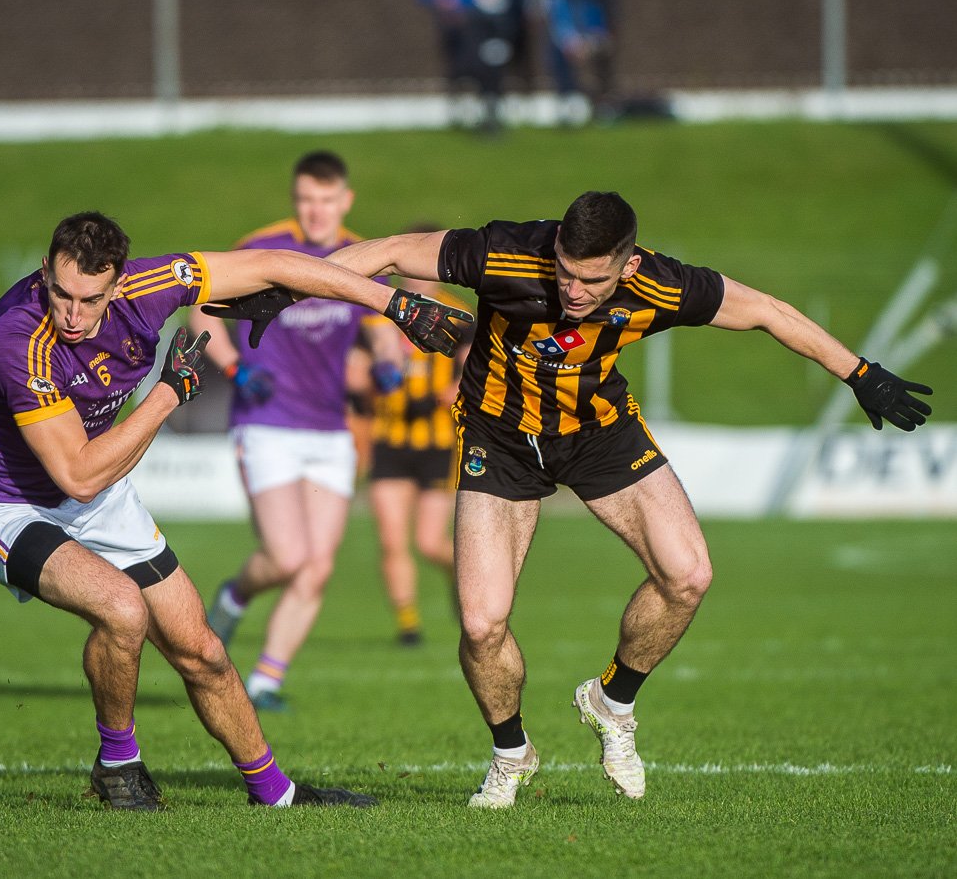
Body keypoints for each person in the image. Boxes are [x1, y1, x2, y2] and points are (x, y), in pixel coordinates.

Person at [327, 190, 933, 806]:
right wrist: (292, 286)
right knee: (482, 624)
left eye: (592, 279)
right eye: (564, 270)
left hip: (599, 432)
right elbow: (395, 251)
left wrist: (860, 373)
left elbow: (767, 311)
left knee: (688, 573)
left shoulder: (663, 285)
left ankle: (610, 701)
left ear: (629, 266)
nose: (573, 290)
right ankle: (511, 753)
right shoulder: (508, 252)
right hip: (498, 436)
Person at [0, 210, 468, 810]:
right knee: (121, 609)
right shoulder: (18, 340)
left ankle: (275, 793)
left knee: (205, 651)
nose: (71, 314)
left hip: (95, 492)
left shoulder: (150, 285)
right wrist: (170, 391)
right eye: (60, 293)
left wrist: (395, 306)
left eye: (89, 300)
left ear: (117, 285)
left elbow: (273, 265)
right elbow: (79, 474)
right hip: (7, 504)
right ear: (44, 273)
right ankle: (118, 764)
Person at [192, 151, 406, 712]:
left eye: (326, 200)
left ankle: (265, 680)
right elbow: (202, 312)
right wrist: (237, 369)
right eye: (306, 199)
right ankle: (235, 596)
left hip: (330, 431)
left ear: (345, 201)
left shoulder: (360, 255)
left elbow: (384, 326)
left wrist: (389, 364)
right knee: (287, 558)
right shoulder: (263, 247)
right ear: (296, 199)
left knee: (319, 566)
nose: (315, 211)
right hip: (266, 422)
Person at [367, 270, 472, 647]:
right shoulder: (380, 312)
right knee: (392, 540)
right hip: (389, 440)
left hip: (438, 442)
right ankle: (408, 626)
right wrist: (374, 377)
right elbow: (353, 371)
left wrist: (449, 391)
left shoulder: (459, 315)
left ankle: (459, 578)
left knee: (429, 542)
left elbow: (473, 369)